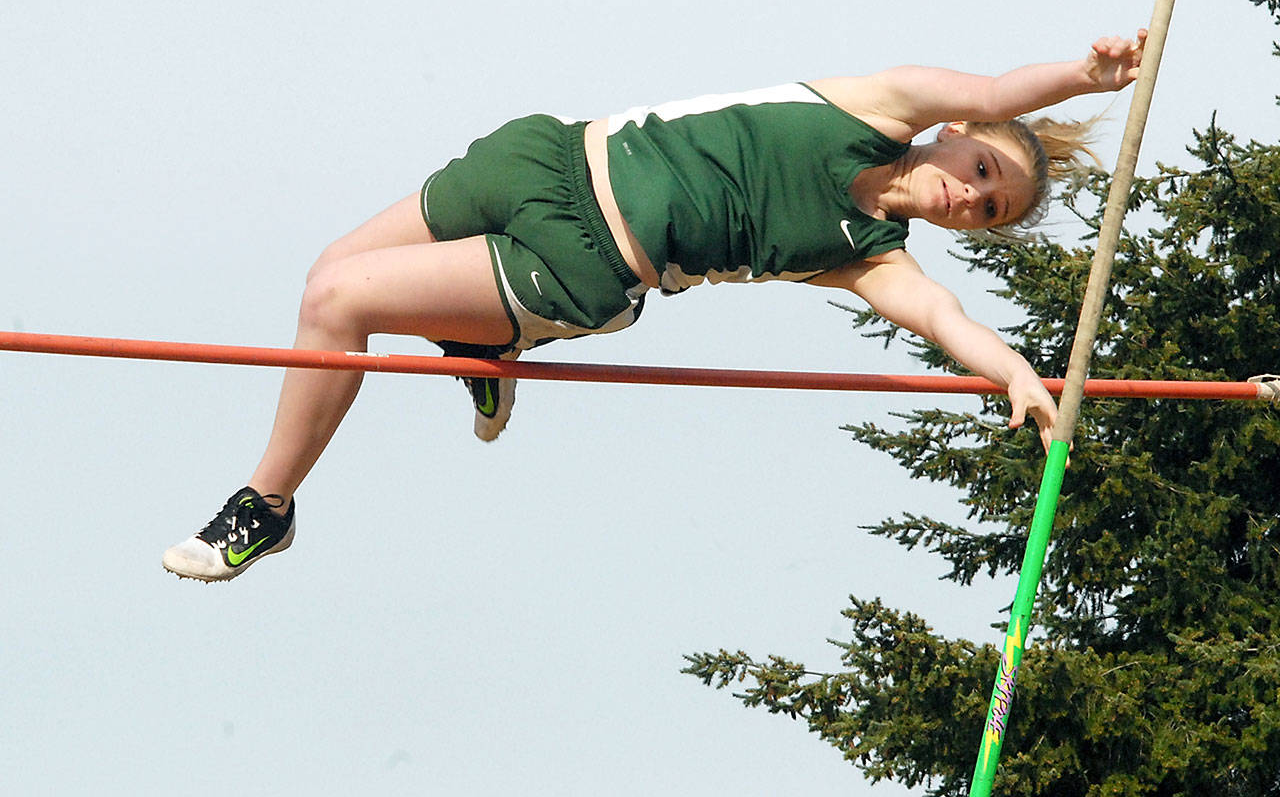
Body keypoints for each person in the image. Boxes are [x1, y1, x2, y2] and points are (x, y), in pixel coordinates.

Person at [162, 30, 1147, 582]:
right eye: (980, 169)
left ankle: (268, 505)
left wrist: (1016, 371)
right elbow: (994, 81)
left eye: (988, 210)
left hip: (583, 262)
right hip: (541, 156)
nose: (969, 196)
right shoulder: (879, 103)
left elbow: (944, 322)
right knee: (324, 271)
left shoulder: (868, 255)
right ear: (957, 133)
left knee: (342, 302)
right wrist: (1082, 73)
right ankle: (479, 346)